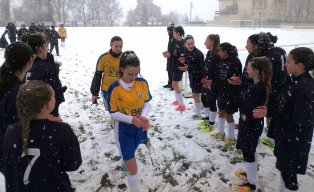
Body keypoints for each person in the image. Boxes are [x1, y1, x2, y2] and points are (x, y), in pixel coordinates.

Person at [2, 80, 82, 192]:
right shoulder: (62, 131)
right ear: (49, 104)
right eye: (53, 96)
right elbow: (73, 164)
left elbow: (6, 165)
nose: (55, 98)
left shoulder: (10, 132)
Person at [254, 47, 314, 192]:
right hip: (285, 135)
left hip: (294, 139)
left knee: (290, 176)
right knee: (284, 169)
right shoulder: (293, 80)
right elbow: (285, 106)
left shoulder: (305, 87)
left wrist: (271, 112)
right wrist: (271, 110)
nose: (284, 65)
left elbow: (300, 119)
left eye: (288, 62)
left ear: (300, 66)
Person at [108, 51, 152, 192]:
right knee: (132, 167)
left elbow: (147, 103)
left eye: (136, 73)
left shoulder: (142, 83)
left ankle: (125, 160)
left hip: (138, 126)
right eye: (129, 73)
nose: (133, 77)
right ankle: (134, 188)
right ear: (121, 69)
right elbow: (113, 113)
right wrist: (130, 119)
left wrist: (143, 116)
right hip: (123, 129)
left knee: (131, 151)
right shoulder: (114, 88)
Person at [232, 57, 272, 192]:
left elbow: (249, 108)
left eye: (248, 68)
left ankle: (251, 184)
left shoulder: (258, 89)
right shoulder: (255, 85)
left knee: (248, 152)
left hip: (251, 125)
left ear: (256, 71)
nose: (246, 70)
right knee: (249, 150)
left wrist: (239, 102)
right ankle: (251, 172)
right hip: (250, 124)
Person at [0, 42, 34, 173]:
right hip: (12, 153)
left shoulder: (6, 82)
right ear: (30, 60)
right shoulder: (16, 94)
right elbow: (17, 130)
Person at [23, 33, 65, 119]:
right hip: (45, 111)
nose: (47, 49)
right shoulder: (47, 68)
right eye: (46, 47)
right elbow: (57, 92)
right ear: (40, 48)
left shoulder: (25, 65)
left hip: (27, 109)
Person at [210, 42, 242, 147]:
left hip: (232, 93)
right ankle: (221, 133)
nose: (218, 52)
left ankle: (231, 137)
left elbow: (238, 78)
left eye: (220, 50)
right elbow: (215, 74)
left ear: (226, 51)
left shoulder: (236, 62)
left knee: (229, 114)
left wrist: (233, 81)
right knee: (221, 111)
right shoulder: (218, 60)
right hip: (221, 91)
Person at [90, 36, 123, 109]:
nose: (119, 48)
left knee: (121, 109)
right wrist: (94, 93)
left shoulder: (124, 57)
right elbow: (97, 76)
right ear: (111, 45)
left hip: (121, 89)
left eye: (120, 46)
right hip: (107, 90)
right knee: (110, 110)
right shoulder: (103, 58)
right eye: (116, 46)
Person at [179, 35, 204, 118]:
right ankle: (199, 109)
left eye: (192, 43)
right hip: (192, 76)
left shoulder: (198, 53)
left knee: (196, 94)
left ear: (194, 43)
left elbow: (201, 68)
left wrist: (188, 67)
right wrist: (184, 62)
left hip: (199, 77)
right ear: (185, 45)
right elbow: (189, 63)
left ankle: (199, 114)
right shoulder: (186, 51)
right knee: (194, 94)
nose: (190, 46)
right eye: (188, 44)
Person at [199, 34, 220, 132]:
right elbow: (205, 66)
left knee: (211, 101)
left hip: (213, 83)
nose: (204, 42)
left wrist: (212, 80)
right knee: (204, 99)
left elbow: (218, 70)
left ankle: (211, 124)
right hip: (205, 81)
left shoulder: (217, 54)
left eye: (206, 40)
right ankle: (207, 119)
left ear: (212, 42)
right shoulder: (209, 53)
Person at [170, 26, 186, 111]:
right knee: (174, 84)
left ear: (178, 33)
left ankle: (182, 104)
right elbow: (174, 53)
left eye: (174, 33)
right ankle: (177, 101)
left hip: (179, 67)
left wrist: (181, 60)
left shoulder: (183, 43)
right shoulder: (176, 41)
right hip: (174, 65)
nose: (173, 34)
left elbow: (182, 57)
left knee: (174, 84)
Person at [162, 23, 175, 89]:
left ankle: (173, 85)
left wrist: (171, 54)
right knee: (168, 69)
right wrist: (167, 52)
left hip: (173, 57)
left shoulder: (174, 37)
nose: (167, 32)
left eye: (168, 30)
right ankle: (169, 83)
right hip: (169, 57)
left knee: (172, 70)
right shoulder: (170, 37)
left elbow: (175, 48)